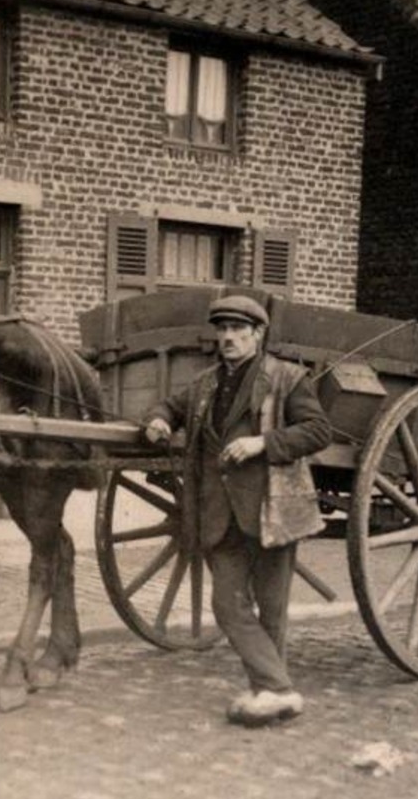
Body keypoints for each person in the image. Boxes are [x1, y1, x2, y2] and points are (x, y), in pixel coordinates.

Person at [142, 295, 332, 727]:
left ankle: (267, 691)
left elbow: (318, 430)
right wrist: (158, 420)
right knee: (227, 605)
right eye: (222, 329)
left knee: (272, 608)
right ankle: (279, 688)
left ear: (257, 334)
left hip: (272, 508)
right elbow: (171, 407)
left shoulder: (287, 378)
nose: (227, 337)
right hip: (218, 513)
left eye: (237, 330)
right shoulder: (206, 383)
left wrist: (263, 443)